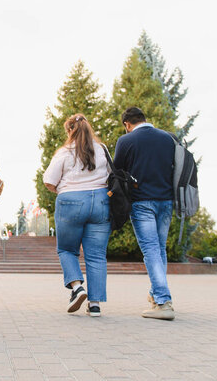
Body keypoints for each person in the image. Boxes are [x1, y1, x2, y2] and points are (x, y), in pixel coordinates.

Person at [43, 114, 111, 317]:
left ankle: (77, 287)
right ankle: (95, 304)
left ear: (69, 131)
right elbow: (111, 174)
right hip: (100, 201)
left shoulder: (64, 152)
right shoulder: (102, 149)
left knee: (66, 250)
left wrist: (63, 191)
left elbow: (49, 181)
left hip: (70, 201)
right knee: (97, 255)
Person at [113, 107, 176, 321]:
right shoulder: (167, 139)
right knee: (159, 249)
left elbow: (117, 171)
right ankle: (156, 293)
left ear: (127, 124)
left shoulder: (126, 141)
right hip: (166, 201)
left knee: (150, 250)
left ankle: (162, 301)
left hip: (142, 202)